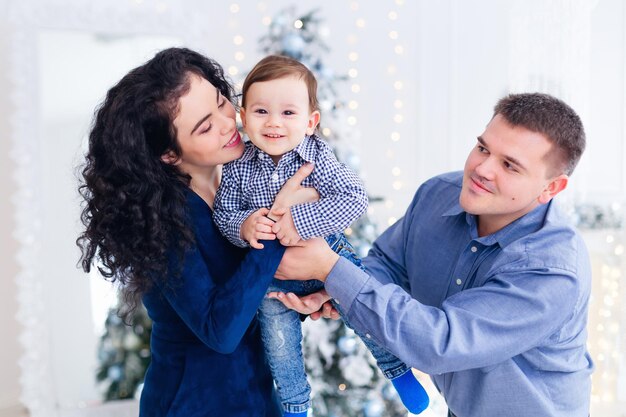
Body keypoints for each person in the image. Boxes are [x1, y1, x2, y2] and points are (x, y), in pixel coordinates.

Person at [271, 92, 593, 417]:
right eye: (483, 148)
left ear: (551, 188)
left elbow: (441, 343)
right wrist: (334, 288)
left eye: (509, 165)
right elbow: (387, 264)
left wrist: (332, 269)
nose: (482, 169)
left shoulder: (552, 269)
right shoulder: (438, 194)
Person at [76, 47, 317, 417]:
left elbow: (250, 293)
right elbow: (220, 331)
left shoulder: (235, 185)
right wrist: (279, 221)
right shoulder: (163, 221)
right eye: (205, 126)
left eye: (222, 103)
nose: (227, 123)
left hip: (256, 397)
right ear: (169, 154)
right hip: (193, 405)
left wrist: (310, 298)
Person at [213, 54, 428, 416]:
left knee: (364, 313)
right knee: (280, 348)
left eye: (288, 113)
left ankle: (399, 370)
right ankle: (296, 407)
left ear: (311, 121)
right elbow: (224, 214)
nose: (274, 123)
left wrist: (298, 220)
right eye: (261, 111)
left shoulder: (317, 156)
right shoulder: (236, 165)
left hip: (328, 257)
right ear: (244, 117)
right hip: (272, 277)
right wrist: (244, 225)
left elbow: (354, 198)